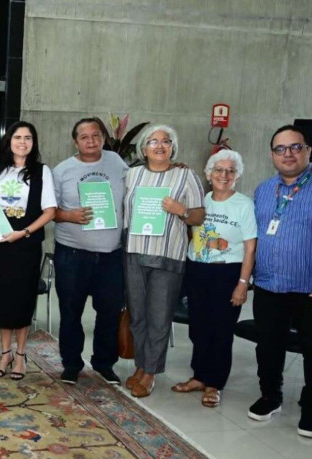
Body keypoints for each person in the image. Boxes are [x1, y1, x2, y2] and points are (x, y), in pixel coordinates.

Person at [247, 125, 312, 438]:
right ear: (272, 155)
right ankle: (271, 395)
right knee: (268, 346)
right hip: (269, 286)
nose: (288, 154)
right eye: (281, 149)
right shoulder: (262, 190)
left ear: (309, 151)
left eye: (295, 147)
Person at [0, 121, 56, 381]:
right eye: (17, 137)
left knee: (21, 300)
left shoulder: (42, 171)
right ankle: (4, 353)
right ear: (9, 141)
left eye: (28, 137)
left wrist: (25, 232)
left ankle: (20, 355)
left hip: (25, 245)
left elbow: (49, 211)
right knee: (1, 300)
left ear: (33, 142)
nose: (22, 142)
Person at [123, 124, 205, 398]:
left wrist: (180, 210)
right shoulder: (132, 174)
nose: (159, 146)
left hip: (168, 255)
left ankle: (150, 373)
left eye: (165, 141)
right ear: (143, 149)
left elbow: (198, 216)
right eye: (153, 142)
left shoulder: (186, 175)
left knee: (159, 317)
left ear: (173, 147)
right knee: (138, 316)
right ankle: (140, 365)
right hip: (135, 252)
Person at [171, 150, 256, 407]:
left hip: (227, 273)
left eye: (230, 170)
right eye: (219, 170)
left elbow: (251, 248)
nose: (224, 175)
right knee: (199, 327)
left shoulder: (244, 204)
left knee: (221, 330)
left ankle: (215, 383)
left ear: (237, 175)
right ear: (209, 174)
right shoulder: (202, 199)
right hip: (197, 270)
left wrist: (242, 283)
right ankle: (199, 376)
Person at [51, 118, 127, 385]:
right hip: (72, 253)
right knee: (70, 311)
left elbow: (141, 184)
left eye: (95, 135)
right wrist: (69, 214)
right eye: (84, 137)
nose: (91, 140)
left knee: (109, 312)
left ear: (103, 138)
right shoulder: (61, 171)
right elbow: (50, 211)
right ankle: (71, 364)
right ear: (75, 141)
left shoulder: (117, 163)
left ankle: (104, 364)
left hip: (111, 255)